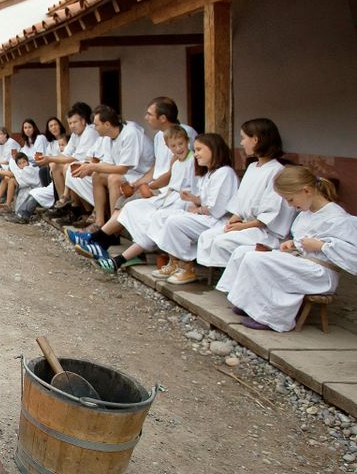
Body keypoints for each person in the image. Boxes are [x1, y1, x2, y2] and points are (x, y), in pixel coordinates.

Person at [217, 165, 357, 331]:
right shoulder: (306, 212)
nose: (289, 205)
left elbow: (352, 255)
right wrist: (294, 244)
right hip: (303, 263)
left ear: (306, 191)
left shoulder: (338, 217)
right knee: (244, 252)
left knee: (256, 259)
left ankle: (269, 316)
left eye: (290, 199)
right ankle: (248, 301)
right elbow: (304, 239)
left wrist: (321, 246)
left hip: (320, 274)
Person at [73, 125, 195, 269]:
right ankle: (102, 242)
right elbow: (168, 177)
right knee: (131, 207)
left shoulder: (193, 160)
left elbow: (193, 186)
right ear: (168, 147)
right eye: (173, 146)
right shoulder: (175, 160)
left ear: (187, 141)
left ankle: (109, 252)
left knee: (153, 220)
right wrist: (148, 186)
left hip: (182, 201)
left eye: (181, 144)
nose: (178, 148)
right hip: (168, 197)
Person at [196, 118, 295, 270]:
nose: (241, 143)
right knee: (207, 236)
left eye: (243, 138)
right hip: (247, 224)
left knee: (223, 241)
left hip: (265, 232)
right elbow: (240, 200)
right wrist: (234, 220)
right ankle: (230, 275)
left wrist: (242, 227)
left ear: (255, 140)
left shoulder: (277, 171)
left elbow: (269, 214)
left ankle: (238, 276)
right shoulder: (252, 167)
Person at [144, 133, 238, 284]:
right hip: (208, 217)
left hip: (218, 221)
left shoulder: (225, 173)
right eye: (195, 150)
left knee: (175, 222)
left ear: (213, 149)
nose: (196, 154)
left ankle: (187, 267)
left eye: (200, 150)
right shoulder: (210, 173)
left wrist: (197, 210)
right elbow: (207, 199)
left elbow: (217, 209)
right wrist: (193, 199)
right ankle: (174, 261)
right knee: (162, 216)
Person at [69, 105, 154, 228]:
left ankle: (113, 228)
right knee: (97, 176)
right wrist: (87, 166)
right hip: (129, 173)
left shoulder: (130, 133)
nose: (94, 128)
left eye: (97, 125)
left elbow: (123, 168)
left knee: (113, 178)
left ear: (107, 125)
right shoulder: (109, 138)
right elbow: (108, 163)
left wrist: (93, 167)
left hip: (143, 175)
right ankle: (99, 222)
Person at [44, 102, 101, 221]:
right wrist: (51, 161)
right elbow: (66, 153)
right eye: (70, 123)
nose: (72, 126)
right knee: (56, 166)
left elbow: (75, 158)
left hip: (92, 168)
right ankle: (64, 204)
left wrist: (49, 158)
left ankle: (79, 208)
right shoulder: (76, 134)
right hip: (84, 166)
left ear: (83, 121)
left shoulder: (89, 132)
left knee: (68, 168)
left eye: (75, 122)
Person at [2, 153, 43, 224]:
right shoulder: (24, 169)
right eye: (20, 163)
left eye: (24, 162)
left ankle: (21, 215)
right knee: (10, 180)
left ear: (27, 161)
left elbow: (14, 174)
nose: (23, 164)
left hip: (34, 192)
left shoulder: (30, 168)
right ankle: (11, 208)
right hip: (27, 189)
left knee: (12, 180)